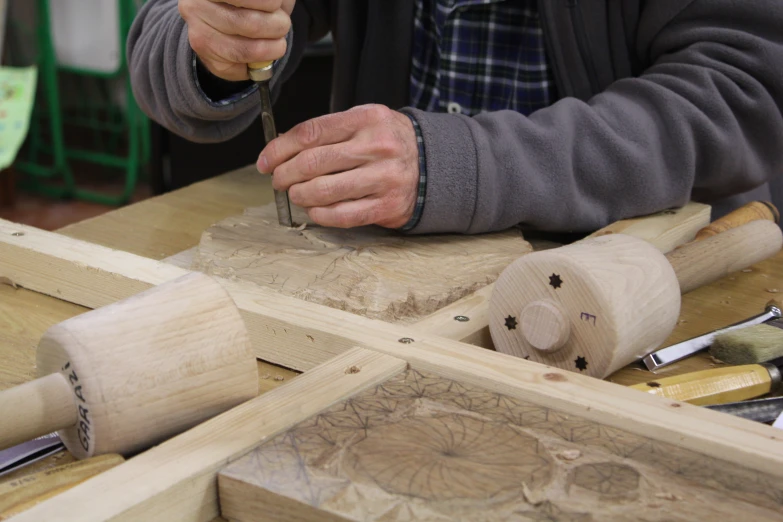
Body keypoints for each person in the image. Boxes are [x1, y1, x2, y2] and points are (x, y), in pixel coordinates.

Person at [127, 1, 783, 235]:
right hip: (389, 284)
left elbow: (742, 92)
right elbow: (162, 35)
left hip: (637, 286)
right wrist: (217, 43)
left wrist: (459, 167)